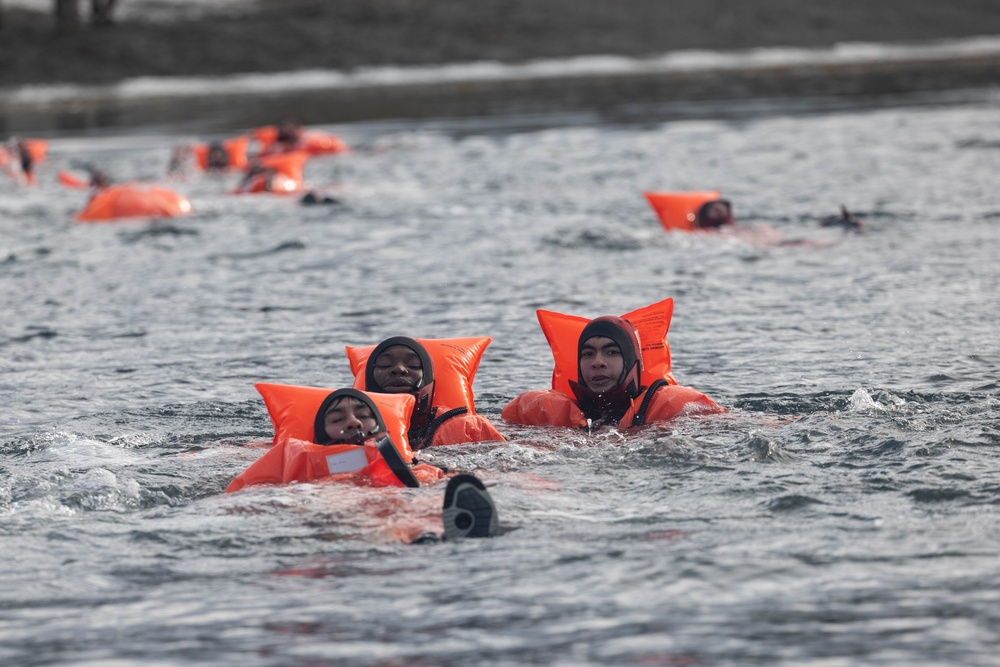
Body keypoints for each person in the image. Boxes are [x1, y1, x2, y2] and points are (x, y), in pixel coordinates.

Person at [227, 387, 498, 540]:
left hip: (399, 494)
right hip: (328, 502)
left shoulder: (416, 467)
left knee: (421, 506)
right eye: (337, 419)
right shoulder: (297, 461)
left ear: (380, 427)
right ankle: (428, 539)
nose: (353, 422)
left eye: (363, 416)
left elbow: (463, 483)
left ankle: (442, 532)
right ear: (321, 436)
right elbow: (244, 496)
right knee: (358, 516)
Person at [502, 316, 722, 430]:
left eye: (611, 352)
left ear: (632, 362)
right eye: (588, 354)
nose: (598, 362)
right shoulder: (543, 414)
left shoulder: (676, 408)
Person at [362, 337, 506, 448]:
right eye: (385, 365)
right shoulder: (351, 427)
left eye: (413, 365)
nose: (399, 369)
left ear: (428, 379)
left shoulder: (467, 427)